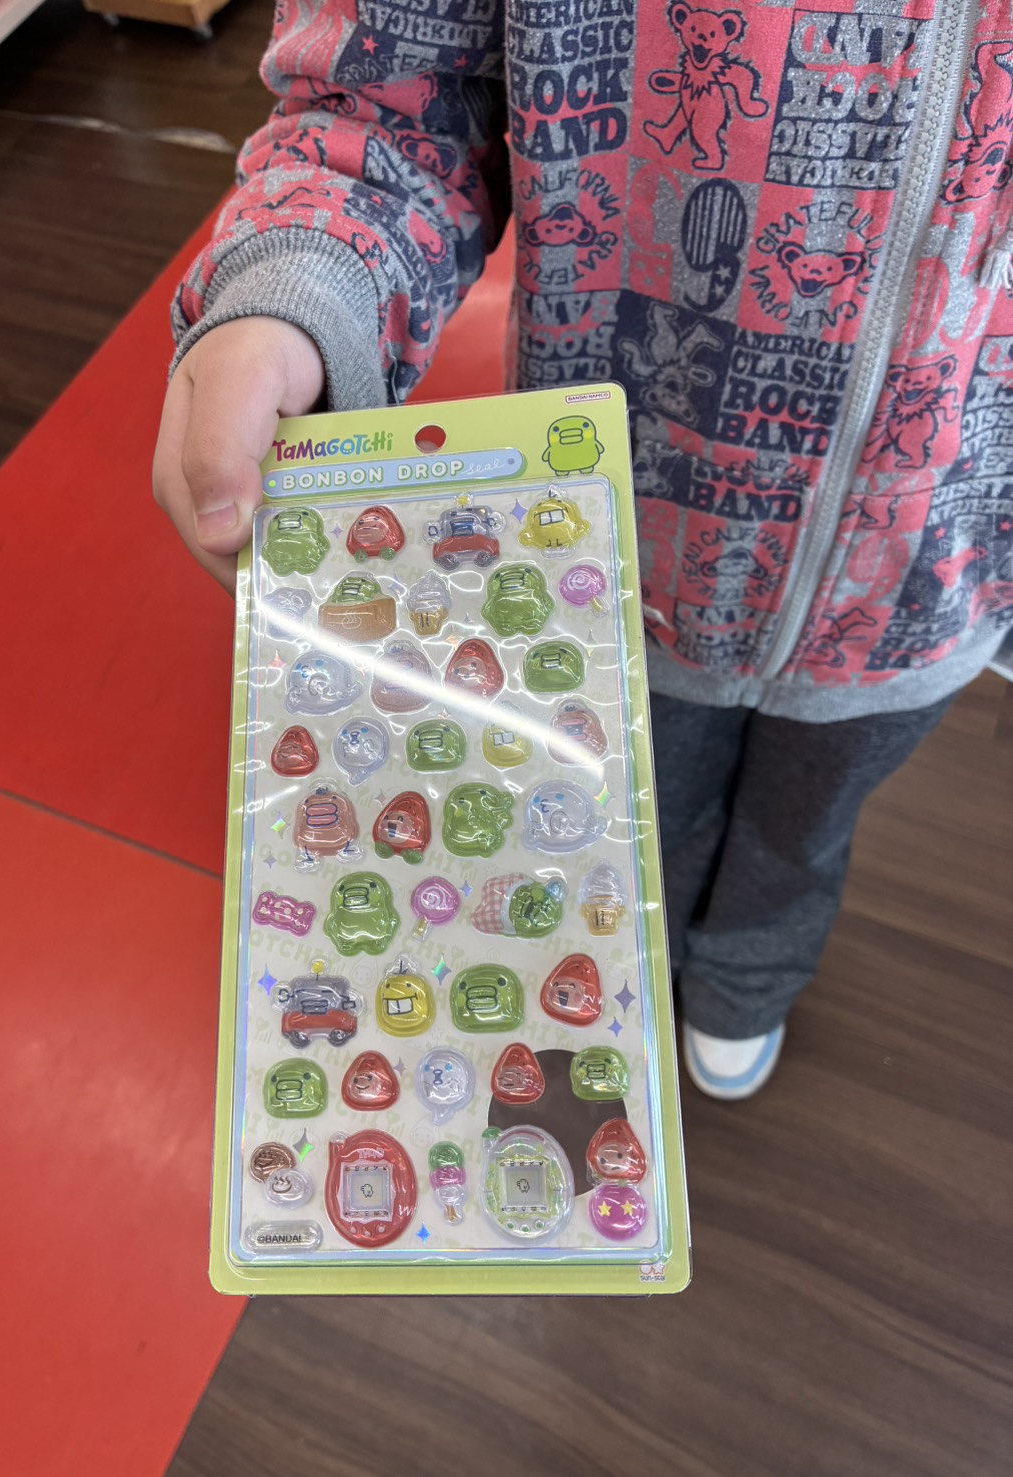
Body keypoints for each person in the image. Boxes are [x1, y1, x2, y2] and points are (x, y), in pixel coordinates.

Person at [153, 3, 1013, 1099]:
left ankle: (746, 980)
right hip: (620, 542)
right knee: (635, 800)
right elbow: (394, 96)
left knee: (806, 826)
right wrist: (303, 284)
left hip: (927, 571)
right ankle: (636, 959)